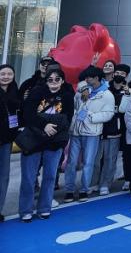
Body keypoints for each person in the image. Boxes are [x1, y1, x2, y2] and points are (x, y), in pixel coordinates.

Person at [19, 69, 74, 221]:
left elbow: (67, 119)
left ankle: (44, 208)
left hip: (55, 140)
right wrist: (44, 125)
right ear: (46, 81)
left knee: (50, 176)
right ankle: (25, 210)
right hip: (33, 139)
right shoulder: (36, 92)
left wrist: (49, 125)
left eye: (57, 79)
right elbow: (28, 115)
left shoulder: (67, 96)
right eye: (50, 79)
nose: (54, 82)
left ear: (62, 81)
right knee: (28, 178)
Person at [63, 66, 115, 203]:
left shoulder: (107, 95)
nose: (86, 80)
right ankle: (69, 190)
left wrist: (91, 117)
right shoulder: (82, 91)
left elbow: (109, 113)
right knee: (71, 162)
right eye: (85, 78)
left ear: (97, 78)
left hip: (92, 132)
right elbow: (74, 107)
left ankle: (84, 190)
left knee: (88, 162)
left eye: (89, 78)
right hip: (76, 131)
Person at [95, 63, 131, 196]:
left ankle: (106, 184)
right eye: (117, 73)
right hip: (99, 126)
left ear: (126, 76)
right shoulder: (104, 87)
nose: (119, 75)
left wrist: (126, 94)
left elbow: (123, 109)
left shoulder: (128, 91)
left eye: (122, 74)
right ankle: (94, 182)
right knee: (96, 158)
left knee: (110, 158)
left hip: (115, 129)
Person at [0, 64, 21, 221]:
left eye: (9, 74)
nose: (6, 76)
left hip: (6, 141)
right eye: (3, 74)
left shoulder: (15, 92)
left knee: (4, 177)